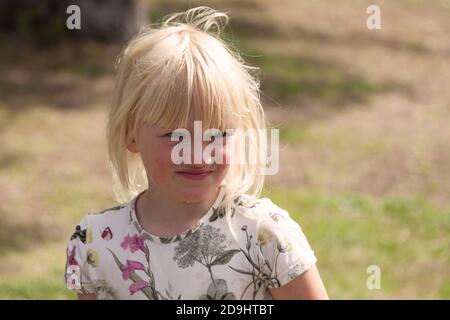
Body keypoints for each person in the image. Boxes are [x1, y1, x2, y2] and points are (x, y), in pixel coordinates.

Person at [64, 6, 328, 300]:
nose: (197, 155)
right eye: (175, 136)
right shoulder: (95, 243)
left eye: (216, 135)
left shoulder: (265, 234)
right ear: (130, 134)